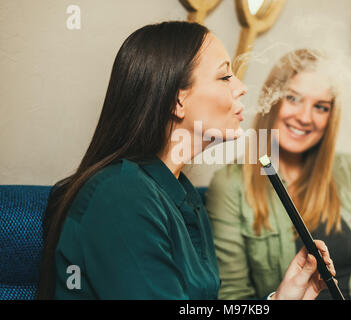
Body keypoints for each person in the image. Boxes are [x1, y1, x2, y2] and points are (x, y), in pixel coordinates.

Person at [36, 22, 335, 300]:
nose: (241, 88)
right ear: (177, 101)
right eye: (224, 76)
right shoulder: (120, 195)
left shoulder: (181, 193)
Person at [205, 49, 351, 300]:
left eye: (321, 107)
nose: (305, 117)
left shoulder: (348, 170)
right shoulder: (230, 185)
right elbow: (233, 298)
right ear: (272, 101)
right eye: (293, 98)